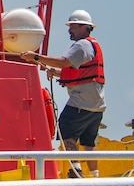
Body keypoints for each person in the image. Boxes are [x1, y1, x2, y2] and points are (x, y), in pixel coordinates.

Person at [26, 10, 105, 152]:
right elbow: (77, 72)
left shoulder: (82, 45)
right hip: (97, 105)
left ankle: (75, 168)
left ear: (84, 27)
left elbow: (64, 62)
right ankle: (94, 173)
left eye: (72, 26)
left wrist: (36, 57)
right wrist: (56, 73)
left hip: (81, 102)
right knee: (88, 143)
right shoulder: (92, 45)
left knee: (66, 130)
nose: (69, 30)